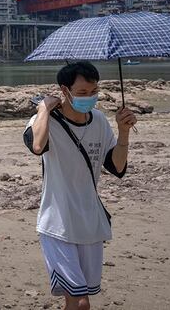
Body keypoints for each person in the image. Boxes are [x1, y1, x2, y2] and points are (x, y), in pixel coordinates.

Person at [23, 62, 136, 310]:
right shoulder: (46, 121)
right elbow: (37, 146)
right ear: (65, 90)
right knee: (80, 302)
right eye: (83, 93)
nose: (90, 98)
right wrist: (43, 109)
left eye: (94, 91)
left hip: (90, 224)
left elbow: (116, 168)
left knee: (79, 300)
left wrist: (123, 132)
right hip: (57, 224)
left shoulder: (99, 121)